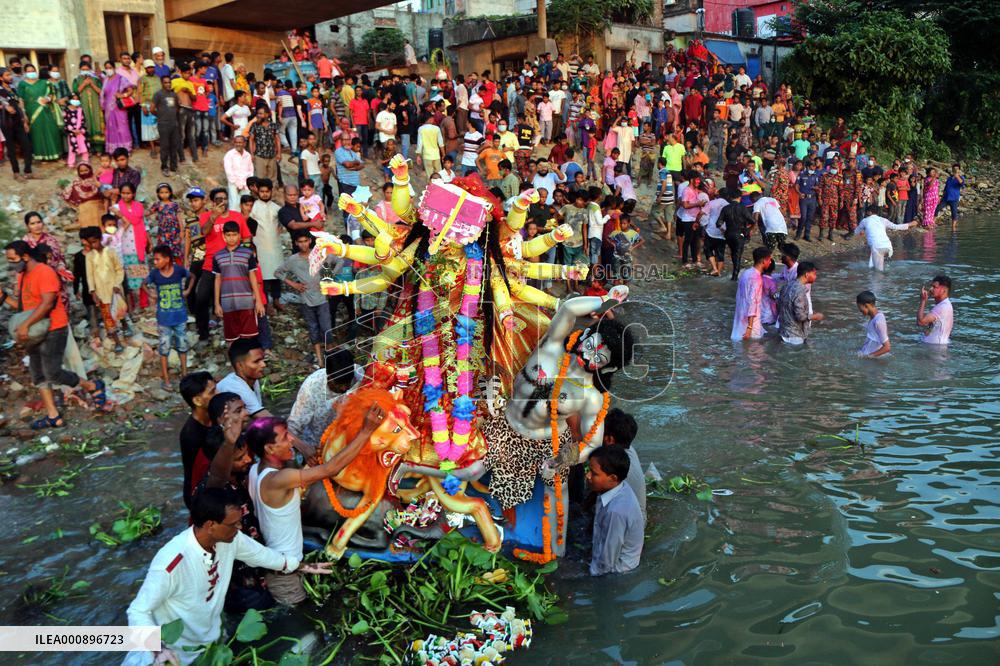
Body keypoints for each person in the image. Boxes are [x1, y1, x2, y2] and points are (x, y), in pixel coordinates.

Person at [123, 487, 333, 666]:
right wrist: (159, 649)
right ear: (210, 525)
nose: (240, 528)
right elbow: (138, 610)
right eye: (233, 524)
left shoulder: (231, 539)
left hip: (210, 644)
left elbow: (264, 556)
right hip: (168, 655)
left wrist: (303, 566)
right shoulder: (172, 562)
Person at [246, 405, 385, 603]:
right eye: (285, 437)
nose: (292, 440)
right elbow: (331, 469)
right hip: (283, 578)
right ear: (269, 449)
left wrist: (305, 567)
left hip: (285, 565)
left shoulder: (255, 471)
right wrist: (366, 431)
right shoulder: (277, 480)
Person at [2, 241, 106, 429]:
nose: (11, 264)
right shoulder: (23, 275)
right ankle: (53, 416)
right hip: (34, 330)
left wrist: (25, 325)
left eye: (13, 259)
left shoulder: (44, 272)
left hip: (54, 328)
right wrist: (3, 298)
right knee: (38, 375)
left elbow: (47, 304)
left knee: (53, 373)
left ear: (25, 257)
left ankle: (92, 386)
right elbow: (24, 307)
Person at [275, 232, 332, 367]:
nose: (303, 244)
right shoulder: (293, 260)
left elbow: (329, 265)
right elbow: (278, 272)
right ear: (296, 243)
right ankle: (319, 360)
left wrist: (327, 280)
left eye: (305, 241)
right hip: (306, 300)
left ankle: (330, 357)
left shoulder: (318, 254)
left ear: (310, 241)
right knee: (313, 328)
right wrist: (294, 284)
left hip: (322, 298)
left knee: (326, 328)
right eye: (300, 242)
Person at [587, 445, 644, 576]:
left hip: (617, 571)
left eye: (594, 473)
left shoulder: (616, 512)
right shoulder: (619, 486)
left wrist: (589, 576)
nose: (588, 476)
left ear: (612, 478)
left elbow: (606, 562)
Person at [146, 245, 192, 389]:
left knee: (182, 346)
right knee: (164, 348)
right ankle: (166, 379)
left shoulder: (178, 271)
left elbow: (192, 276)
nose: (155, 262)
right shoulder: (155, 274)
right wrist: (151, 294)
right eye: (154, 259)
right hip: (164, 319)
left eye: (158, 259)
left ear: (167, 259)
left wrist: (188, 290)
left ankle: (184, 374)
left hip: (180, 317)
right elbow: (144, 284)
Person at [212, 221, 264, 343]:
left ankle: (248, 360)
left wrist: (258, 301)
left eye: (234, 234)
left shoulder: (247, 253)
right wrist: (217, 303)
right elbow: (217, 279)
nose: (231, 238)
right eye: (228, 235)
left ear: (239, 236)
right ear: (223, 236)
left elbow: (253, 277)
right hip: (227, 303)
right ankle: (237, 361)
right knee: (232, 337)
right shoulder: (218, 256)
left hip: (246, 301)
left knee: (249, 335)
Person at [79, 226, 126, 351]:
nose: (93, 245)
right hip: (101, 292)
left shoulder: (110, 252)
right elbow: (90, 275)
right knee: (107, 317)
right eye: (90, 243)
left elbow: (119, 269)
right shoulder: (89, 256)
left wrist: (117, 284)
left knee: (120, 312)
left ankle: (126, 327)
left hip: (114, 289)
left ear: (100, 239)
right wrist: (92, 291)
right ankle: (117, 342)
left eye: (95, 241)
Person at [602, 408, 646, 523]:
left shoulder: (612, 463)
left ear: (609, 439)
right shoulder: (629, 448)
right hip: (638, 516)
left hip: (629, 524)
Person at [18, 64, 63, 161]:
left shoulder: (44, 82)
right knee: (37, 133)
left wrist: (47, 99)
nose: (31, 73)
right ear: (25, 73)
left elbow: (52, 95)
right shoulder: (22, 84)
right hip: (31, 111)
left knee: (51, 130)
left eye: (33, 71)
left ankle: (54, 154)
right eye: (29, 71)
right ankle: (41, 156)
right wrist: (24, 113)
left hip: (46, 110)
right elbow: (20, 99)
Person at [217, 337, 271, 417]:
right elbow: (264, 417)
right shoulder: (233, 386)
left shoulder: (252, 378)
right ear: (240, 366)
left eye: (262, 360)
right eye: (256, 361)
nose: (263, 365)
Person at [778, 260, 824, 345]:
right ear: (807, 274)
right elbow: (800, 316)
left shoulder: (787, 286)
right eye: (814, 274)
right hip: (794, 336)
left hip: (783, 331)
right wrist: (815, 316)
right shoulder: (800, 291)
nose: (816, 277)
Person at [731, 246, 771, 341]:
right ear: (764, 261)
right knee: (754, 352)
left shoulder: (746, 273)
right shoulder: (756, 279)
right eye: (769, 260)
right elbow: (752, 302)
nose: (770, 262)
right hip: (751, 327)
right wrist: (749, 327)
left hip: (739, 320)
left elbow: (739, 296)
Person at [1, 65, 34, 179]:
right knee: (11, 148)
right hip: (7, 123)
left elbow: (19, 104)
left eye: (10, 74)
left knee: (27, 145)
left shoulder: (13, 89)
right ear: (1, 78)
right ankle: (16, 172)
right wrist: (5, 106)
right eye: (7, 75)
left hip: (19, 121)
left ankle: (28, 171)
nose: (10, 77)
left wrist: (24, 119)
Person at [917, 274, 953, 346]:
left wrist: (923, 301)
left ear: (944, 290)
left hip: (935, 349)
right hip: (935, 347)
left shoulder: (942, 307)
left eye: (934, 287)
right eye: (931, 286)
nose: (930, 289)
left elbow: (920, 322)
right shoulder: (944, 305)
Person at [856, 291, 891, 358]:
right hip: (866, 354)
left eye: (860, 309)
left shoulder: (878, 321)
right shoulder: (874, 317)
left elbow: (887, 347)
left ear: (866, 305)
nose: (860, 311)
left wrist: (869, 357)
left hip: (872, 359)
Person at [223, 135, 253, 209]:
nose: (238, 144)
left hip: (245, 185)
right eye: (236, 142)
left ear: (244, 143)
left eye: (240, 142)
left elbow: (251, 171)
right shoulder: (229, 155)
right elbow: (229, 172)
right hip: (234, 185)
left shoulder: (248, 155)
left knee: (245, 206)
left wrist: (245, 184)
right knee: (234, 205)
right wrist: (238, 185)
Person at [936, 164, 965, 231]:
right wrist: (941, 197)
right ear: (952, 169)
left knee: (954, 212)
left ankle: (953, 227)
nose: (955, 170)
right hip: (946, 198)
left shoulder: (961, 177)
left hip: (954, 198)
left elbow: (962, 183)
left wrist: (957, 175)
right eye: (954, 169)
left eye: (957, 169)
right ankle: (933, 222)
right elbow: (945, 188)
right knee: (937, 208)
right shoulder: (949, 178)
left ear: (959, 170)